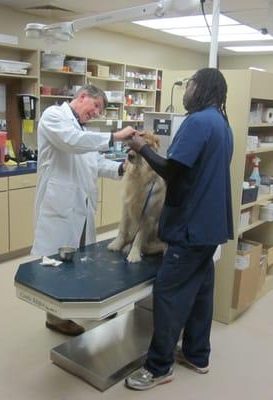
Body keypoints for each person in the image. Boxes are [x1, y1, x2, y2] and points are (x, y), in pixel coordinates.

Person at [125, 68, 234, 390]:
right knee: (200, 292)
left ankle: (159, 367)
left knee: (169, 293)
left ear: (201, 88)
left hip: (191, 226)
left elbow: (173, 171)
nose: (186, 91)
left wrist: (142, 147)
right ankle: (198, 355)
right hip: (211, 226)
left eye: (189, 86)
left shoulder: (198, 122)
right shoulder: (221, 123)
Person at [31, 84, 136, 335]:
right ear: (82, 97)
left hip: (81, 205)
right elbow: (71, 142)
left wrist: (121, 168)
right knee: (56, 262)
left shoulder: (82, 129)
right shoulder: (54, 117)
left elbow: (95, 162)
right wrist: (115, 136)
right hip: (60, 205)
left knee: (79, 260)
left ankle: (79, 306)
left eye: (100, 111)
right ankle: (55, 318)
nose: (97, 113)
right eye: (96, 106)